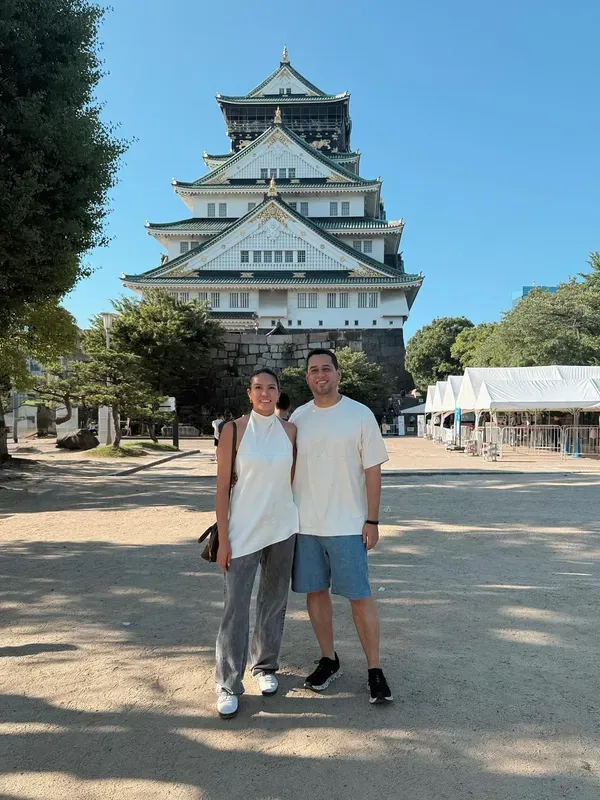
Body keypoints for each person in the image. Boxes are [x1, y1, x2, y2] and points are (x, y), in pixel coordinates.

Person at [290, 349, 393, 705]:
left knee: (359, 597)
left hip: (349, 524)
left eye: (327, 369)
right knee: (314, 593)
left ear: (338, 374)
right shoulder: (298, 419)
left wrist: (373, 519)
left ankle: (374, 669)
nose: (321, 375)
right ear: (307, 377)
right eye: (314, 370)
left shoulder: (359, 414)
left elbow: (373, 471)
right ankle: (329, 658)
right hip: (305, 523)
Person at [214, 369, 299, 719]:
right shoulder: (232, 431)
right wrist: (223, 538)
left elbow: (290, 481)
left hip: (282, 528)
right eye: (258, 388)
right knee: (236, 606)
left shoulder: (291, 431)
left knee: (274, 602)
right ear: (249, 393)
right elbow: (222, 488)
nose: (265, 394)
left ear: (279, 394)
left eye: (271, 388)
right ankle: (227, 683)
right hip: (243, 530)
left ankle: (264, 667)